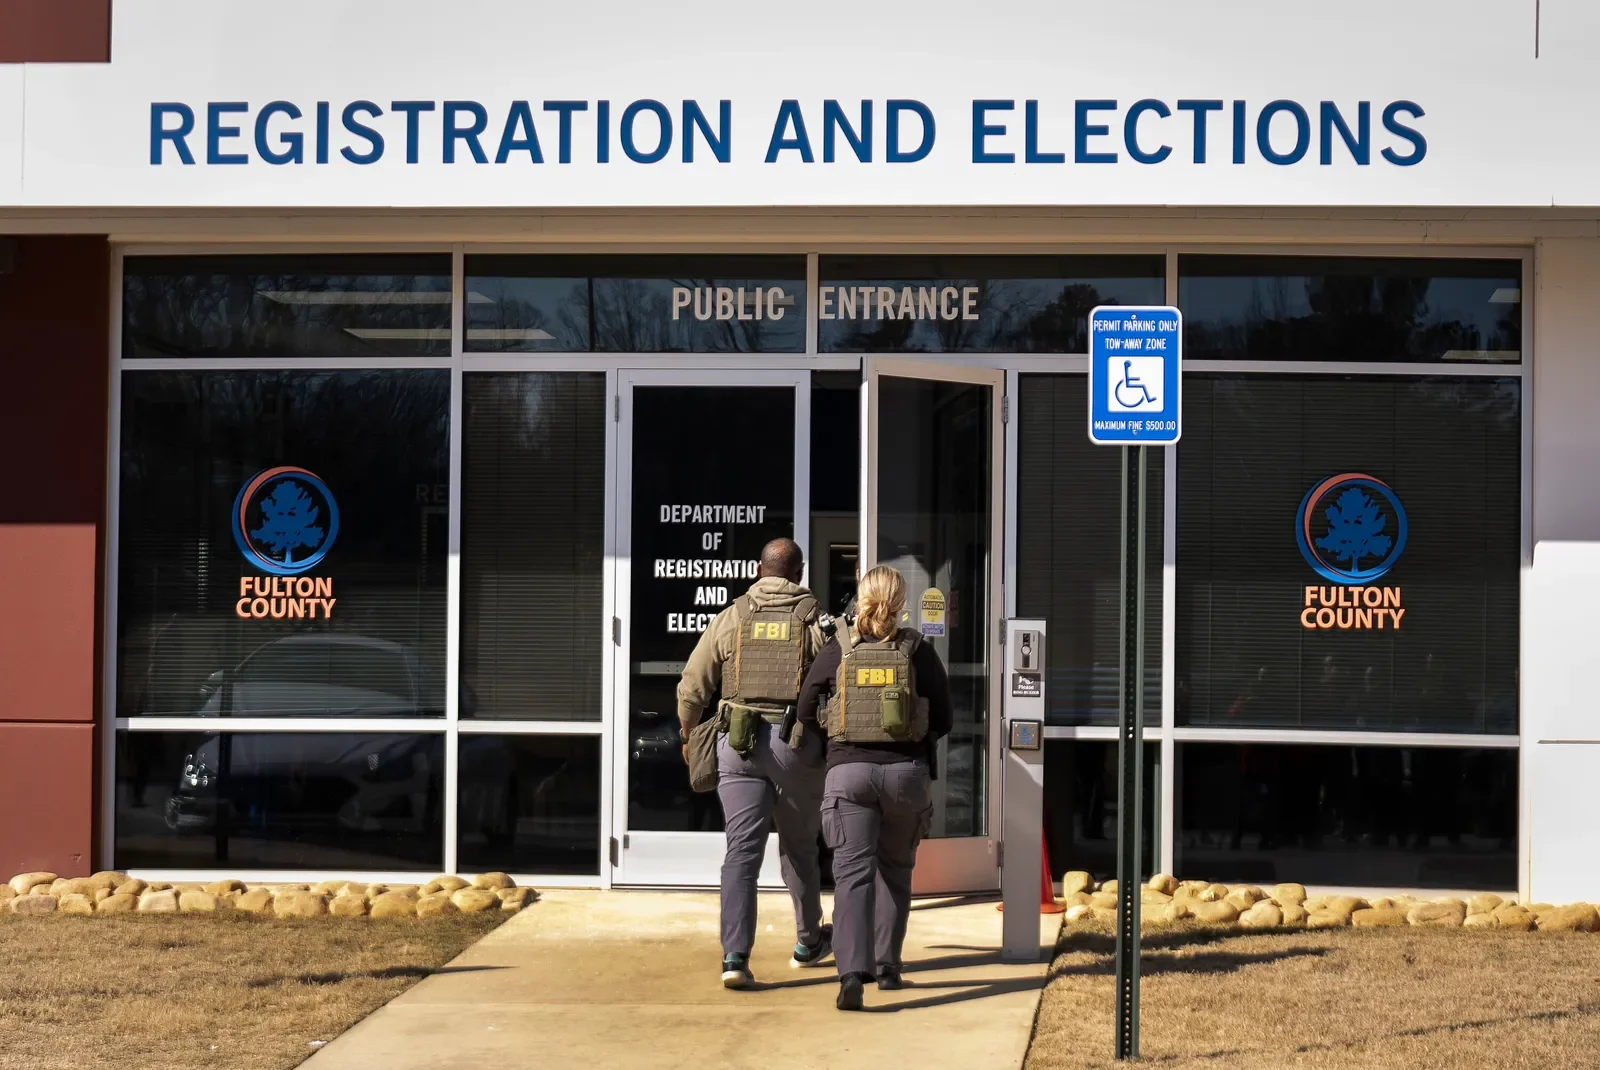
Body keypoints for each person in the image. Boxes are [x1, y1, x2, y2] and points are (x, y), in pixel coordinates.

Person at [676, 537, 834, 988]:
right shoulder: (815, 620)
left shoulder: (733, 616)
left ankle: (734, 958)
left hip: (738, 742)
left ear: (760, 570)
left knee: (741, 852)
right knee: (799, 848)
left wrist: (689, 735)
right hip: (796, 748)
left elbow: (692, 689)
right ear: (798, 573)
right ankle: (807, 942)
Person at [796, 564, 953, 1011]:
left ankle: (850, 974)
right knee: (896, 871)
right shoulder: (918, 650)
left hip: (848, 775)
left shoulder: (839, 647)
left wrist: (837, 730)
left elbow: (807, 707)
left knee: (851, 875)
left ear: (861, 597)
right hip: (906, 775)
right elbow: (944, 719)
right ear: (901, 602)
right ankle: (887, 966)